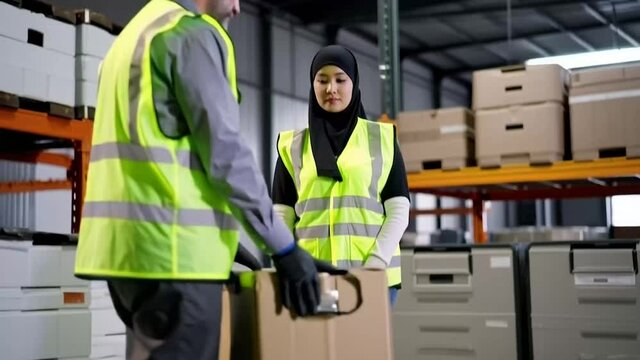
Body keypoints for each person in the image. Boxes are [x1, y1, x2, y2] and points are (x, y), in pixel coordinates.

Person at [74, 0, 322, 358]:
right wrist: (282, 247)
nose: (238, 8)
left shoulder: (131, 37)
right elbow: (225, 154)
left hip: (128, 259)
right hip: (176, 259)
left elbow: (158, 154)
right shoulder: (191, 35)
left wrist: (224, 240)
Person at [272, 45, 410, 305]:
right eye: (322, 80)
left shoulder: (382, 139)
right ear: (312, 85)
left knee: (366, 347)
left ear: (354, 83)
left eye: (340, 79)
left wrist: (375, 265)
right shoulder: (292, 146)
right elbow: (281, 216)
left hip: (373, 278)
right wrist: (291, 266)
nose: (331, 89)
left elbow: (399, 211)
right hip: (312, 279)